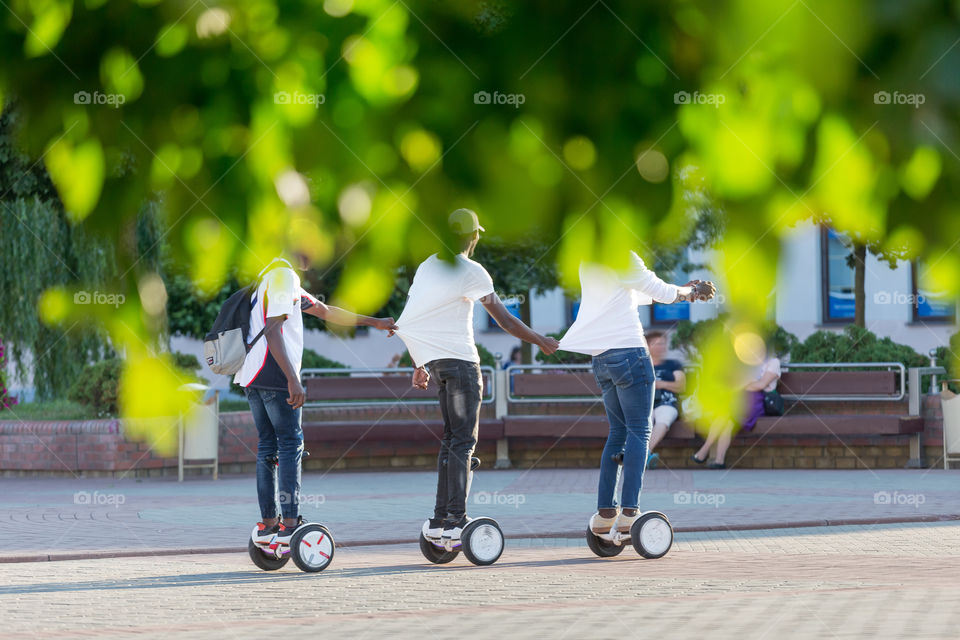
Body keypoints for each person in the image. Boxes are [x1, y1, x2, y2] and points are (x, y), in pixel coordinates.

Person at [393, 209, 559, 544]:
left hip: (436, 365)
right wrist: (542, 341)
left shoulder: (428, 266)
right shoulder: (471, 270)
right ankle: (457, 519)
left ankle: (440, 519)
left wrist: (419, 363)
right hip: (462, 366)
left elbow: (410, 319)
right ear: (474, 236)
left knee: (451, 441)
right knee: (463, 443)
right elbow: (505, 320)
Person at [235, 256, 397, 547]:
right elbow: (273, 330)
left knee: (267, 447)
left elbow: (325, 310)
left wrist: (374, 322)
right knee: (289, 444)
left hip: (252, 376)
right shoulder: (285, 277)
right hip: (273, 375)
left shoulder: (270, 276)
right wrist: (292, 379)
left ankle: (268, 525)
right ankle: (290, 524)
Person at [558, 253, 715, 538]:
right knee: (641, 430)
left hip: (602, 358)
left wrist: (681, 292)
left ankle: (606, 514)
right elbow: (660, 292)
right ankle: (630, 512)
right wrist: (689, 292)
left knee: (617, 432)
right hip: (629, 352)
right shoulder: (625, 256)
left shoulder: (588, 259)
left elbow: (638, 294)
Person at [692, 347, 782, 469]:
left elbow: (761, 385)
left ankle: (704, 449)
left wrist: (742, 385)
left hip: (758, 401)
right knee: (727, 421)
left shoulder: (773, 362)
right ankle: (719, 461)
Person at [645, 330, 686, 470]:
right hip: (645, 403)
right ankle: (644, 456)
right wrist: (668, 384)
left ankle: (644, 455)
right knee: (645, 422)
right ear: (647, 346)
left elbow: (681, 386)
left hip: (668, 402)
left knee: (663, 419)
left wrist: (659, 384)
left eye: (662, 344)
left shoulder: (673, 365)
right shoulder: (642, 365)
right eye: (656, 344)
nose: (660, 347)